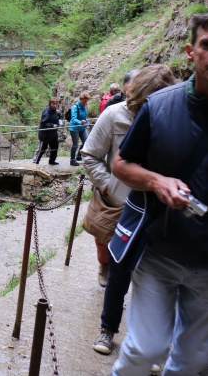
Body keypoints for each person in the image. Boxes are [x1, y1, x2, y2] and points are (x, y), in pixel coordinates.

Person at [110, 11, 208, 375]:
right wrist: (158, 181)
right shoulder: (160, 107)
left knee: (193, 363)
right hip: (160, 252)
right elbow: (121, 164)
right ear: (191, 52)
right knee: (145, 350)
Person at [82, 67, 175, 360]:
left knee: (159, 276)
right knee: (119, 269)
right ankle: (108, 329)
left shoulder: (175, 117)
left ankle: (153, 346)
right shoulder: (114, 115)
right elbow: (90, 154)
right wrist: (109, 187)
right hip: (125, 207)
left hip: (162, 210)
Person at [35, 97, 60, 165]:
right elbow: (43, 122)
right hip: (45, 134)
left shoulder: (55, 111)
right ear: (50, 104)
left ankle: (52, 161)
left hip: (53, 133)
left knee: (55, 147)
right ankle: (37, 161)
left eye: (56, 104)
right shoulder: (46, 111)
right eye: (53, 104)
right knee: (43, 148)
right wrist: (52, 125)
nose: (55, 105)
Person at [68, 92, 90, 166]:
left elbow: (84, 117)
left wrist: (84, 122)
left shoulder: (85, 106)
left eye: (86, 101)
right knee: (75, 144)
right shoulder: (75, 107)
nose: (85, 103)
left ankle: (79, 155)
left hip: (82, 127)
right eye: (84, 101)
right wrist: (80, 122)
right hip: (74, 128)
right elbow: (73, 118)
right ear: (81, 100)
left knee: (86, 141)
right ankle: (72, 160)